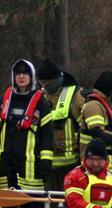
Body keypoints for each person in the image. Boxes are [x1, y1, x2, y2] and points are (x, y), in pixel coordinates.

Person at [0, 59, 53, 194]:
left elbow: (47, 136)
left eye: (25, 73)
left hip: (31, 167)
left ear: (31, 76)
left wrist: (46, 162)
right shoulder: (4, 101)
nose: (21, 77)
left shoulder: (41, 103)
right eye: (18, 73)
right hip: (5, 165)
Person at [36, 58, 84, 192]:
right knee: (48, 203)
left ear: (55, 79)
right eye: (41, 82)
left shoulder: (77, 96)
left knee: (70, 202)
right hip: (46, 163)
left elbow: (87, 127)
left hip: (71, 163)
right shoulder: (39, 97)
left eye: (46, 82)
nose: (44, 85)